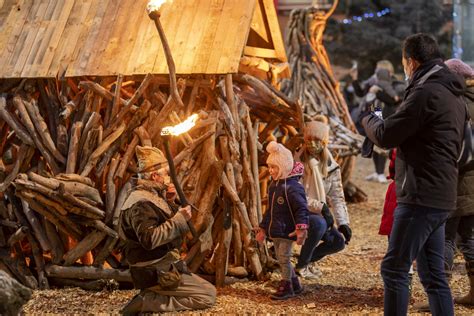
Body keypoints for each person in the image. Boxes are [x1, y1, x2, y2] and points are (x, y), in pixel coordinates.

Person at [360, 33, 467, 316]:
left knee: (394, 269)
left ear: (411, 62)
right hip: (441, 193)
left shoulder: (426, 92)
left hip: (421, 195)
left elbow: (387, 134)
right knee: (434, 276)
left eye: (404, 63)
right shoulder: (450, 93)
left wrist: (369, 118)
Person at [119, 146, 216, 314]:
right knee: (207, 296)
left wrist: (170, 202)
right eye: (166, 173)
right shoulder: (140, 202)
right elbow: (150, 239)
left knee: (209, 290)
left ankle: (153, 294)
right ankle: (148, 302)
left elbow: (161, 221)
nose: (169, 177)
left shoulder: (151, 196)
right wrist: (179, 218)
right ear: (155, 176)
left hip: (162, 263)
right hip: (154, 269)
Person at [415, 58, 474, 311]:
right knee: (469, 238)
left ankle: (441, 295)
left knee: (446, 238)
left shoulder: (457, 103)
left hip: (456, 178)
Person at [294, 115, 351, 279]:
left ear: (324, 142)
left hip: (317, 211)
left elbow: (337, 196)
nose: (312, 144)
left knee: (338, 242)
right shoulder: (298, 163)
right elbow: (295, 194)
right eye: (309, 139)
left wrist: (343, 222)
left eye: (317, 140)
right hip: (298, 211)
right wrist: (321, 207)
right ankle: (302, 266)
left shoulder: (331, 166)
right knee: (319, 224)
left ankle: (307, 260)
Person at [256, 141, 309, 300]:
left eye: (274, 167)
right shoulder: (274, 186)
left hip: (288, 230)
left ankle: (286, 286)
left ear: (284, 166)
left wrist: (301, 227)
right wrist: (263, 228)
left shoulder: (293, 187)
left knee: (284, 258)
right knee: (281, 258)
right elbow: (270, 211)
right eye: (270, 167)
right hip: (277, 230)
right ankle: (295, 283)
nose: (271, 171)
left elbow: (302, 209)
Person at [351, 60, 405, 183]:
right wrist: (354, 78)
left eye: (379, 71)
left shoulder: (397, 85)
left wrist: (377, 92)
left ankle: (383, 173)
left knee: (384, 144)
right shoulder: (373, 83)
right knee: (374, 141)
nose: (376, 73)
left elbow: (394, 101)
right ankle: (378, 172)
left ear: (388, 72)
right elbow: (361, 93)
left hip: (389, 116)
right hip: (375, 111)